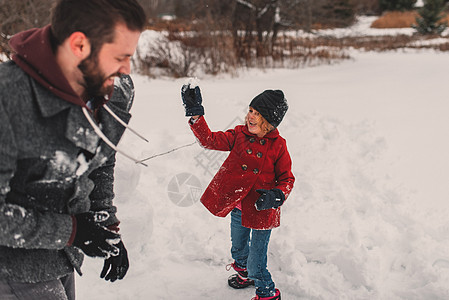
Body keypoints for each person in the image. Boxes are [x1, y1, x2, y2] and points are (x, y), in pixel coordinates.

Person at [0, 0, 146, 299]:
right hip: (14, 269)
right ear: (79, 44)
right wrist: (73, 231)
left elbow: (101, 162)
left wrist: (107, 229)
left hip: (61, 258)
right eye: (120, 56)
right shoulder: (9, 100)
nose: (126, 69)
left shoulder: (106, 88)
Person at [181, 84, 295, 300]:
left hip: (263, 210)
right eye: (250, 110)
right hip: (238, 206)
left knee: (256, 259)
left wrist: (276, 196)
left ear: (269, 121)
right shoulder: (239, 135)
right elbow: (210, 140)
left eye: (257, 114)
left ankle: (267, 291)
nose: (250, 116)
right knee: (238, 248)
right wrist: (196, 114)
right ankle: (245, 273)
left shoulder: (278, 146)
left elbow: (287, 179)